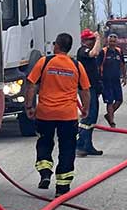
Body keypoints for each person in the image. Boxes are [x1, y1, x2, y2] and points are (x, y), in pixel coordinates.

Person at [23, 33, 91, 195]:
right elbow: (85, 91)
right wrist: (86, 109)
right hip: (68, 116)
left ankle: (45, 172)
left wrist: (29, 106)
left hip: (45, 113)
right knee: (67, 149)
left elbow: (31, 85)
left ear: (57, 46)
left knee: (44, 142)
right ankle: (62, 187)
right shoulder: (76, 65)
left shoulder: (44, 62)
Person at [76, 29, 105, 158]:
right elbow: (94, 53)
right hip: (86, 88)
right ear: (84, 41)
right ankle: (80, 145)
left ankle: (88, 145)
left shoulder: (89, 50)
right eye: (91, 39)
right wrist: (98, 39)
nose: (93, 41)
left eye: (93, 39)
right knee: (87, 117)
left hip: (93, 87)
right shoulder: (82, 51)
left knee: (93, 117)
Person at [102, 33, 127, 126]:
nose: (112, 43)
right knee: (109, 101)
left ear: (117, 41)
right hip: (106, 81)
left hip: (116, 80)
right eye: (111, 41)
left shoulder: (119, 51)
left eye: (114, 41)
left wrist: (124, 77)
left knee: (119, 100)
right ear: (107, 41)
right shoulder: (103, 52)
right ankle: (111, 121)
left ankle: (109, 115)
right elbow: (98, 66)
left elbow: (123, 65)